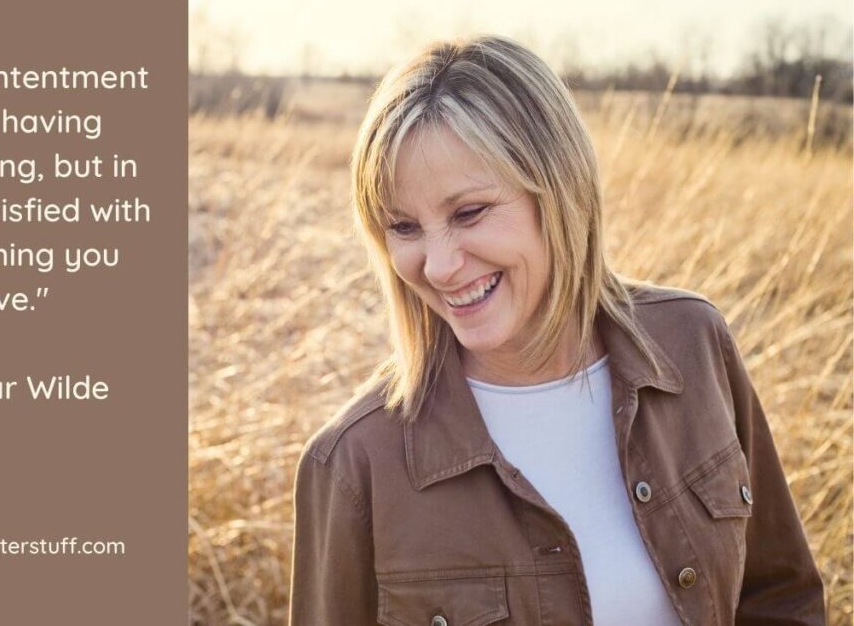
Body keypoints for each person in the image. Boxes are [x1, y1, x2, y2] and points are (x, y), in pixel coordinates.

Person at [287, 35, 824, 625]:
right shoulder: (354, 462)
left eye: (469, 213)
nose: (437, 266)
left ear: (561, 192)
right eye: (404, 227)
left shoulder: (691, 343)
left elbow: (782, 597)